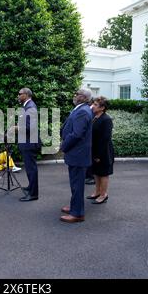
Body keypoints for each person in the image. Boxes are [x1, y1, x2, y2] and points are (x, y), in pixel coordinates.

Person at [60, 89, 93, 223]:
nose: (74, 95)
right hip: (76, 153)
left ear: (84, 97)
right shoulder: (80, 109)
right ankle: (75, 207)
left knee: (77, 185)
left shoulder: (83, 111)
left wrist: (64, 146)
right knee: (75, 184)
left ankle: (77, 213)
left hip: (77, 153)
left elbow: (77, 134)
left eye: (77, 94)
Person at [87, 96, 114, 204]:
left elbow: (105, 139)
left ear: (102, 108)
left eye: (96, 105)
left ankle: (103, 195)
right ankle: (97, 192)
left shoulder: (106, 119)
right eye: (93, 103)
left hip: (103, 151)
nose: (92, 106)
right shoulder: (94, 116)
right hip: (94, 150)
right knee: (96, 172)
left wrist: (98, 155)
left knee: (103, 173)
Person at [16, 88, 41, 202]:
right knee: (30, 168)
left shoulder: (30, 107)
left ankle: (33, 194)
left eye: (20, 94)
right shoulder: (27, 106)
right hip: (27, 142)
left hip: (29, 143)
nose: (18, 95)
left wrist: (16, 128)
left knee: (31, 169)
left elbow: (29, 127)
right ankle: (31, 187)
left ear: (26, 95)